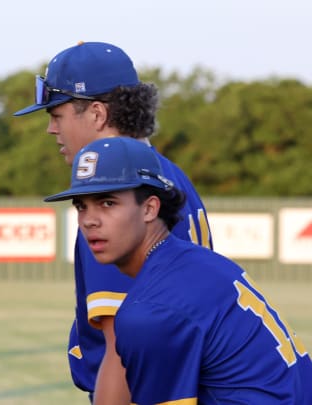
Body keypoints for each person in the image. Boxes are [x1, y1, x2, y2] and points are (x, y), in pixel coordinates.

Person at [14, 42, 213, 404]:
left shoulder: (114, 198)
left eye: (57, 115)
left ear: (96, 113)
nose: (50, 129)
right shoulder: (169, 174)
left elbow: (120, 350)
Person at [44, 136, 312, 404]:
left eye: (107, 203)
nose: (89, 220)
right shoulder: (199, 263)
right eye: (81, 206)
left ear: (149, 208)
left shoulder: (152, 309)